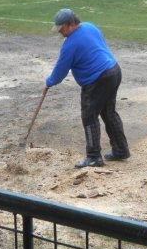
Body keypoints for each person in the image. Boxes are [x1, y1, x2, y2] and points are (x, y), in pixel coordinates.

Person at [43, 9, 130, 168]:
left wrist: (49, 82)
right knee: (109, 113)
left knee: (89, 116)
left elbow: (60, 72)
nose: (60, 32)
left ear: (71, 24)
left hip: (98, 79)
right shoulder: (90, 26)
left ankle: (94, 157)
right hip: (113, 71)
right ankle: (121, 150)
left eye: (62, 28)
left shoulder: (70, 45)